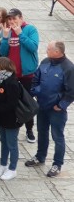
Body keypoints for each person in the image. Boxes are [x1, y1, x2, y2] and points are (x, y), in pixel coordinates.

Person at [26, 41, 74, 178]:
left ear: (57, 52)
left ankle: (57, 164)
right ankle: (40, 156)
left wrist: (61, 105)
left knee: (57, 136)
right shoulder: (46, 61)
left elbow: (71, 91)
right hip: (42, 105)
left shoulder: (69, 68)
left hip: (56, 110)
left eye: (48, 49)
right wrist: (35, 92)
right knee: (42, 132)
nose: (46, 51)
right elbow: (36, 78)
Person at [0, 8, 40, 143]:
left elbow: (33, 47)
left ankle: (29, 129)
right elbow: (3, 53)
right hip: (11, 75)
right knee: (10, 100)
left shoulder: (30, 29)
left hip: (27, 75)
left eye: (14, 18)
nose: (11, 21)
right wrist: (5, 38)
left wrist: (20, 34)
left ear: (20, 18)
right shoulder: (7, 31)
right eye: (9, 19)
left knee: (27, 102)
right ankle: (9, 125)